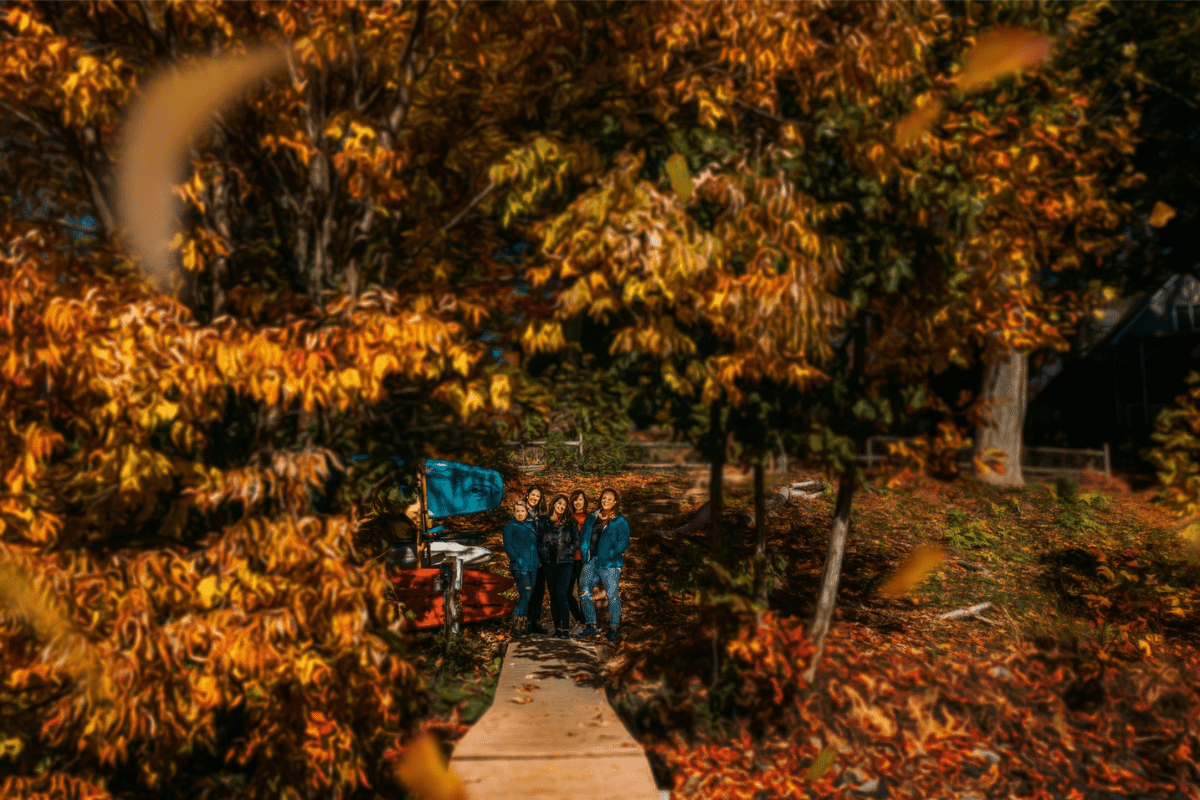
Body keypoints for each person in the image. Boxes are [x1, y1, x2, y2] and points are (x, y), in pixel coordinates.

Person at [578, 487, 630, 642]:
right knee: (583, 591)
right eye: (604, 498)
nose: (606, 501)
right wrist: (584, 550)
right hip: (591, 560)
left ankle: (613, 627)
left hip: (610, 564)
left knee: (612, 596)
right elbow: (584, 535)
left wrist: (611, 553)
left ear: (615, 502)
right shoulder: (592, 516)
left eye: (609, 499)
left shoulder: (620, 521)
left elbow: (624, 542)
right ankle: (591, 626)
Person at [540, 493, 581, 639]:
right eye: (559, 503)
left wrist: (568, 551)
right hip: (549, 564)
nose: (561, 506)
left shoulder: (570, 522)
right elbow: (540, 541)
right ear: (554, 504)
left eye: (564, 505)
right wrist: (544, 556)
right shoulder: (544, 521)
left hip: (565, 563)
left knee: (562, 595)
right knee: (553, 596)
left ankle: (565, 629)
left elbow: (577, 540)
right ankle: (557, 629)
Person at [501, 500, 539, 639]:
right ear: (514, 512)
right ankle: (516, 625)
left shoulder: (530, 526)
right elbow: (507, 546)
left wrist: (536, 561)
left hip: (532, 566)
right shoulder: (510, 527)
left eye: (523, 511)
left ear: (526, 512)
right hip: (520, 566)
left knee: (528, 596)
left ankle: (524, 626)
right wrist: (516, 558)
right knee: (525, 594)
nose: (520, 513)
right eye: (517, 511)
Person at [522, 485, 550, 635]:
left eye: (537, 496)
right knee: (527, 591)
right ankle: (524, 623)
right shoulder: (520, 511)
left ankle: (535, 622)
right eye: (533, 495)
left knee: (539, 591)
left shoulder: (541, 515)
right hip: (525, 558)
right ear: (527, 495)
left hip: (540, 558)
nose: (534, 498)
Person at [566, 489, 590, 630]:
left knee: (583, 591)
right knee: (567, 592)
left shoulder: (591, 517)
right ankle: (580, 618)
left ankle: (585, 622)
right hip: (569, 560)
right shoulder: (567, 517)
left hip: (584, 560)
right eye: (575, 499)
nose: (578, 502)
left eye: (580, 499)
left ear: (584, 501)